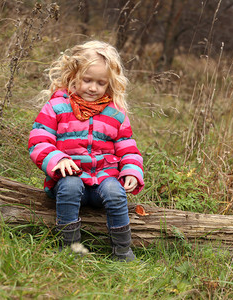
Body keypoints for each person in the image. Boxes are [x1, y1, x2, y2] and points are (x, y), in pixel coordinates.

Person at [28, 40, 144, 262]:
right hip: (69, 179)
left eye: (101, 83)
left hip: (104, 179)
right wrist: (56, 159)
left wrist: (131, 171)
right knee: (71, 186)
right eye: (87, 80)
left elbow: (128, 148)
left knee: (115, 192)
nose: (93, 88)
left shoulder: (115, 113)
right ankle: (70, 248)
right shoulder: (57, 106)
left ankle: (122, 251)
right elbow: (39, 140)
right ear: (73, 76)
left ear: (110, 83)